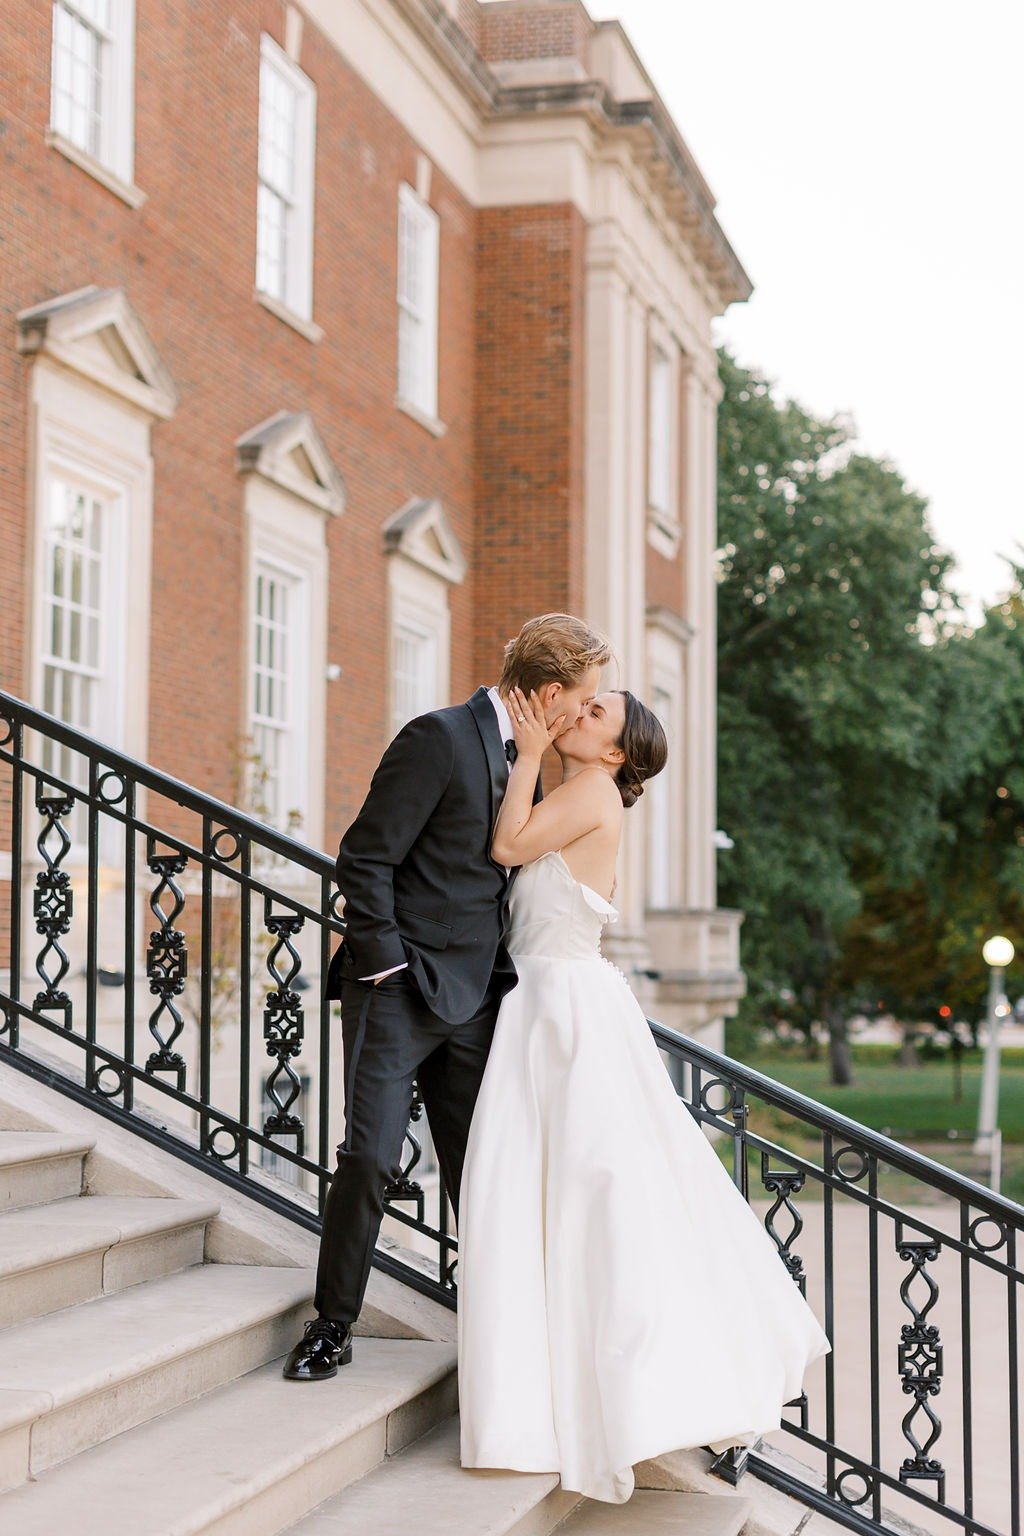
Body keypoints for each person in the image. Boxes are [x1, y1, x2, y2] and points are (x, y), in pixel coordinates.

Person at [458, 686, 831, 1503]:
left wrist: (523, 752)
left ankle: (609, 1387)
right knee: (566, 1197)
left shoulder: (587, 791)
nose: (580, 713)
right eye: (586, 704)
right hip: (555, 1004)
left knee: (582, 1199)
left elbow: (508, 846)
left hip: (563, 1012)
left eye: (597, 715)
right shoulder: (582, 786)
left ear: (616, 754)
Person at [282, 614, 612, 1381]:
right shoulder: (437, 738)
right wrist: (388, 966)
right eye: (586, 698)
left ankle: (508, 1344)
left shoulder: (540, 764)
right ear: (553, 692)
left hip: (482, 1001)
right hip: (398, 992)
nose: (586, 712)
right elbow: (364, 859)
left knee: (484, 1174)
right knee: (368, 1155)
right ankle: (332, 1325)